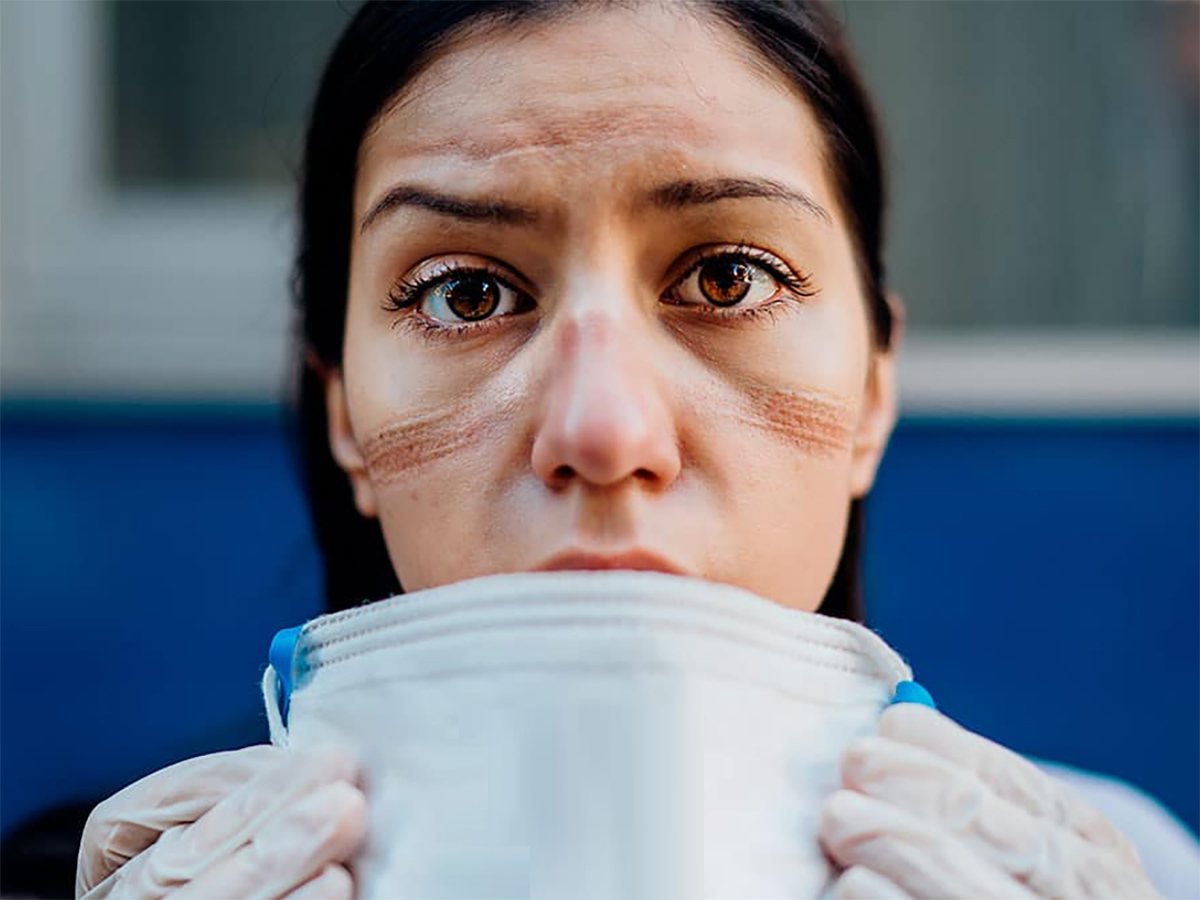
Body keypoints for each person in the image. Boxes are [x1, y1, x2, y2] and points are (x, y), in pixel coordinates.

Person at [72, 1, 1200, 897]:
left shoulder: (1125, 869)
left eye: (727, 278)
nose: (604, 433)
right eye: (466, 292)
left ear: (869, 389)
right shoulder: (126, 881)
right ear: (346, 420)